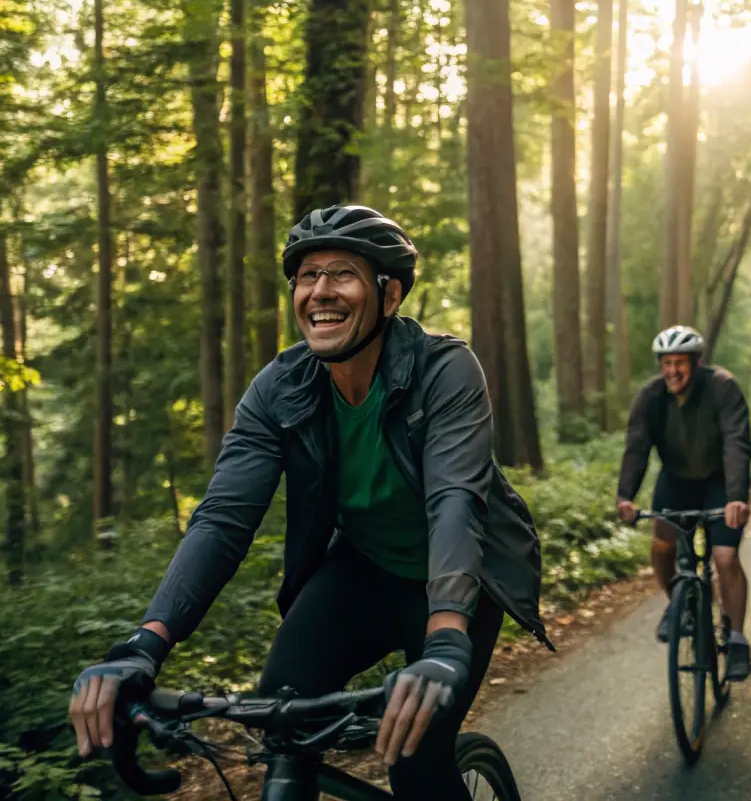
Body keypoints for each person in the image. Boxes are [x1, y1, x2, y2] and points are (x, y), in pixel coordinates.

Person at [67, 204, 549, 800]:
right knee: (283, 727)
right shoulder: (278, 390)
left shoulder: (443, 369)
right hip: (363, 570)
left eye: (342, 272)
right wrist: (145, 644)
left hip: (457, 582)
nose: (319, 291)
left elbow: (454, 500)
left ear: (390, 294)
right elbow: (222, 520)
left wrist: (446, 637)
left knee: (416, 760)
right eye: (305, 276)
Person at [616, 325, 751, 682]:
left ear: (696, 362)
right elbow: (637, 447)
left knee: (725, 557)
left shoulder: (722, 387)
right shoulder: (650, 397)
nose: (672, 370)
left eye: (680, 362)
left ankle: (737, 639)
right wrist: (626, 496)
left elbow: (736, 443)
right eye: (666, 363)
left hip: (719, 482)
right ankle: (679, 603)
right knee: (661, 548)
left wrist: (737, 497)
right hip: (676, 481)